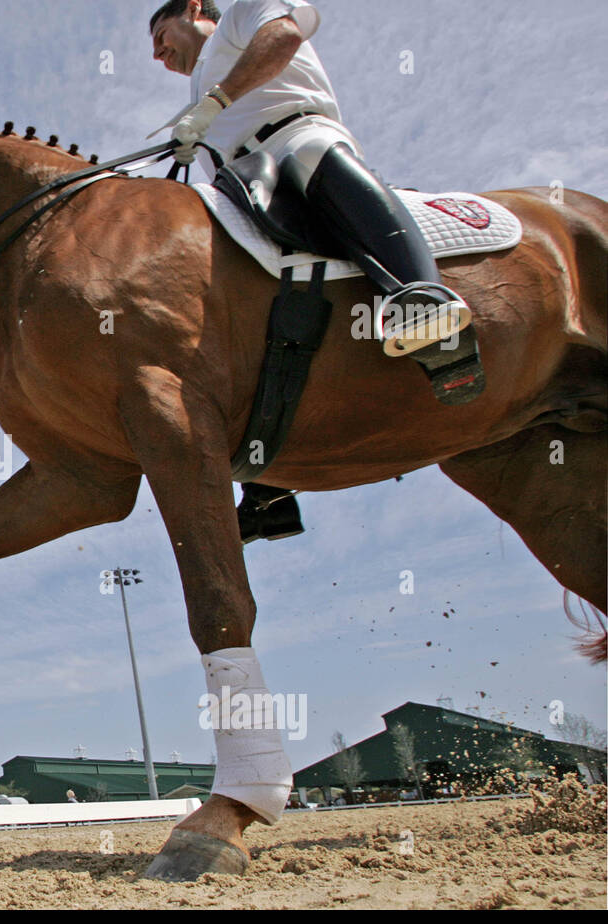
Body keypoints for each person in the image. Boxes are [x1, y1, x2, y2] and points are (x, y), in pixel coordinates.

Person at [149, 0, 476, 542]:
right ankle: (268, 485)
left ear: (193, 8)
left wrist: (215, 102)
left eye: (161, 35)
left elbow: (283, 37)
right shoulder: (198, 86)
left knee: (308, 155)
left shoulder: (243, 13)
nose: (158, 54)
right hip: (245, 181)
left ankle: (426, 300)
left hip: (294, 137)